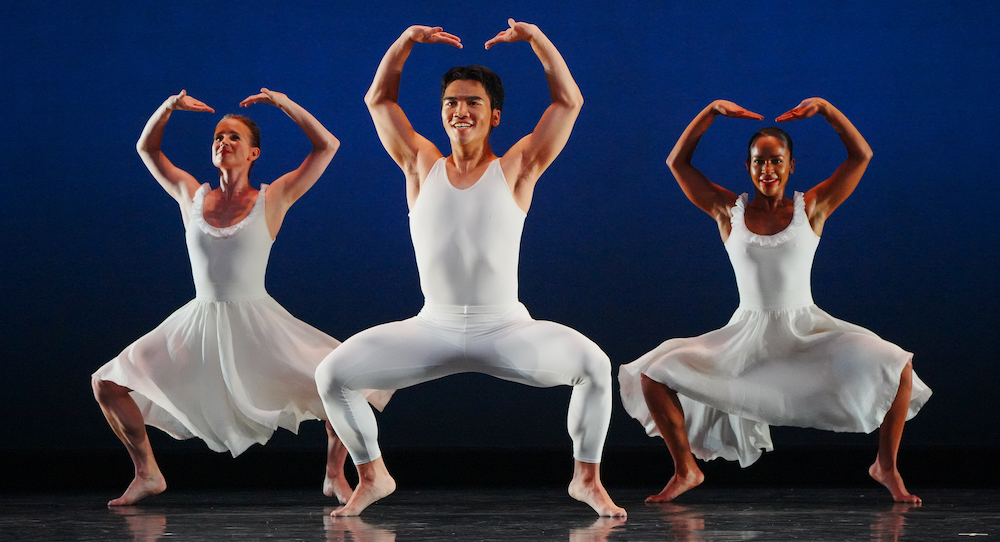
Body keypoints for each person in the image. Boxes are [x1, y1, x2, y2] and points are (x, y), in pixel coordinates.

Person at [315, 20, 625, 517]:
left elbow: (568, 104)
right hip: (431, 328)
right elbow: (379, 101)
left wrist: (537, 40)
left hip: (504, 327)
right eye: (451, 103)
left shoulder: (517, 167)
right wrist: (406, 42)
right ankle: (372, 475)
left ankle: (585, 480)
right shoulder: (420, 164)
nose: (460, 110)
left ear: (495, 116)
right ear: (441, 115)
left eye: (472, 103)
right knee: (332, 374)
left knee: (593, 366)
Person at [618, 98, 931, 503]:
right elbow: (678, 163)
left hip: (807, 330)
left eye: (776, 160)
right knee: (653, 374)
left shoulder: (812, 207)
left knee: (898, 365)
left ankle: (885, 466)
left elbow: (861, 155)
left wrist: (826, 110)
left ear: (790, 165)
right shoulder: (728, 211)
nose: (767, 169)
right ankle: (686, 470)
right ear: (748, 168)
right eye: (758, 161)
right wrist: (710, 113)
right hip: (746, 334)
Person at [92, 88, 390, 506]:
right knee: (106, 384)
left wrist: (284, 104)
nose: (223, 142)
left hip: (257, 321)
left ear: (254, 153)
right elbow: (147, 147)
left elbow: (327, 146)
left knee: (344, 382)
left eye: (233, 137)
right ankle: (147, 473)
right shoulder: (191, 195)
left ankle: (334, 474)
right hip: (197, 321)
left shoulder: (274, 197)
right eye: (218, 136)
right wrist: (168, 108)